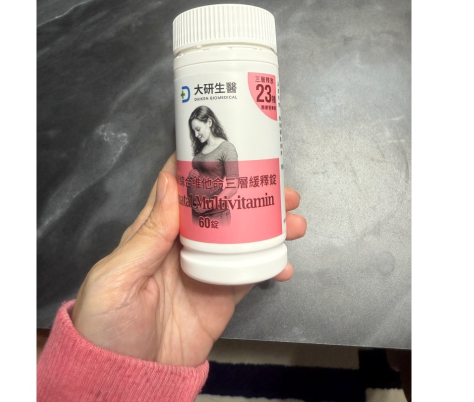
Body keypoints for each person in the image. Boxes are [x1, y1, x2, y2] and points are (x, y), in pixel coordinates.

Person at [37, 153, 307, 401]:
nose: (198, 133)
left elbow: (232, 182)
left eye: (201, 127)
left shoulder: (224, 150)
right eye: (195, 129)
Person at [187, 106, 238, 226]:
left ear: (209, 122)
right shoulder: (200, 149)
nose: (196, 134)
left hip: (215, 215)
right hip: (196, 214)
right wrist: (190, 177)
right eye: (194, 131)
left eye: (198, 129)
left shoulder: (226, 148)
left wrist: (207, 206)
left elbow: (233, 187)